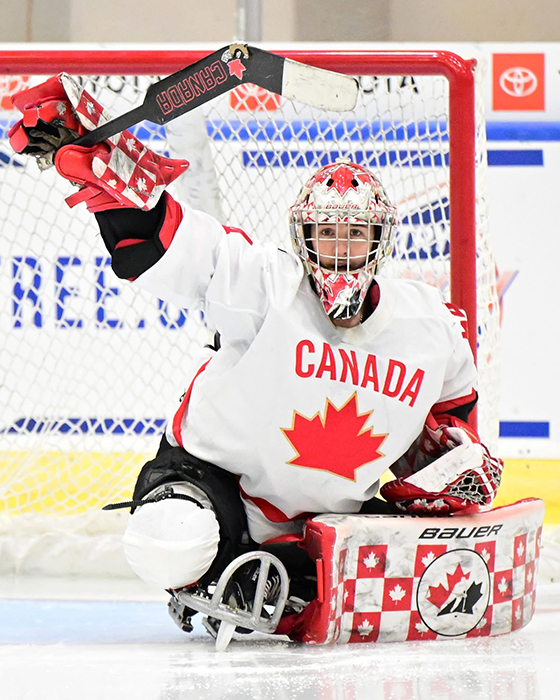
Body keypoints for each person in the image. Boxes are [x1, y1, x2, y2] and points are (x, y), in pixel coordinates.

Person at [9, 74, 503, 639]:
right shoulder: (264, 283)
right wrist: (101, 158)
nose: (340, 251)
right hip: (212, 476)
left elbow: (450, 422)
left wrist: (449, 462)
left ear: (381, 241)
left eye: (355, 235)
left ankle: (273, 580)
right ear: (302, 238)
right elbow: (161, 241)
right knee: (167, 539)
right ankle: (215, 576)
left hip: (326, 520)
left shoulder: (431, 329)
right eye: (326, 234)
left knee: (378, 570)